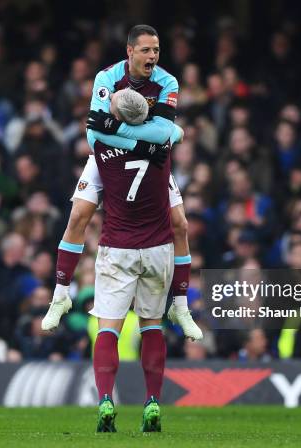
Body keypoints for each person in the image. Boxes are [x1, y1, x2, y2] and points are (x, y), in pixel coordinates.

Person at [41, 24, 201, 340]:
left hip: (151, 160)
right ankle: (60, 296)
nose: (153, 56)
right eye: (146, 50)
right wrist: (147, 142)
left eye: (156, 50)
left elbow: (160, 132)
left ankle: (180, 305)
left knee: (180, 224)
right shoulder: (106, 78)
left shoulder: (167, 82)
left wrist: (132, 134)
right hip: (111, 157)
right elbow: (93, 134)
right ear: (130, 51)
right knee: (78, 216)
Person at [84, 88, 184, 432]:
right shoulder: (166, 142)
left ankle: (105, 399)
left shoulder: (99, 142)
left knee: (108, 328)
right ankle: (153, 401)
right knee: (152, 326)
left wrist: (114, 127)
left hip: (118, 247)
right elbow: (176, 131)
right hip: (158, 247)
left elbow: (96, 127)